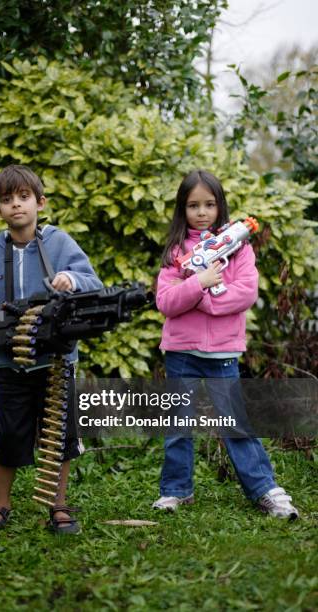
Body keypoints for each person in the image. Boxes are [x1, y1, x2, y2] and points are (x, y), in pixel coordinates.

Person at [0, 164, 103, 537]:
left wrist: (72, 278)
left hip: (57, 363)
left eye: (24, 197)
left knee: (60, 437)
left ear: (40, 203)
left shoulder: (61, 244)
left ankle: (58, 506)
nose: (16, 206)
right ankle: (0, 506)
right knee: (9, 435)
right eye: (7, 200)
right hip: (10, 366)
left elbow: (95, 283)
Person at [152, 169, 299, 520]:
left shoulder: (239, 247)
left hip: (222, 354)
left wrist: (203, 297)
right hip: (181, 352)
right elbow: (166, 301)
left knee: (236, 423)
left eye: (209, 204)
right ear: (181, 209)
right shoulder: (176, 253)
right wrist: (199, 282)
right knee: (178, 426)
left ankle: (265, 490)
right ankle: (176, 491)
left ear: (220, 207)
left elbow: (245, 293)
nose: (201, 212)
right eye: (193, 205)